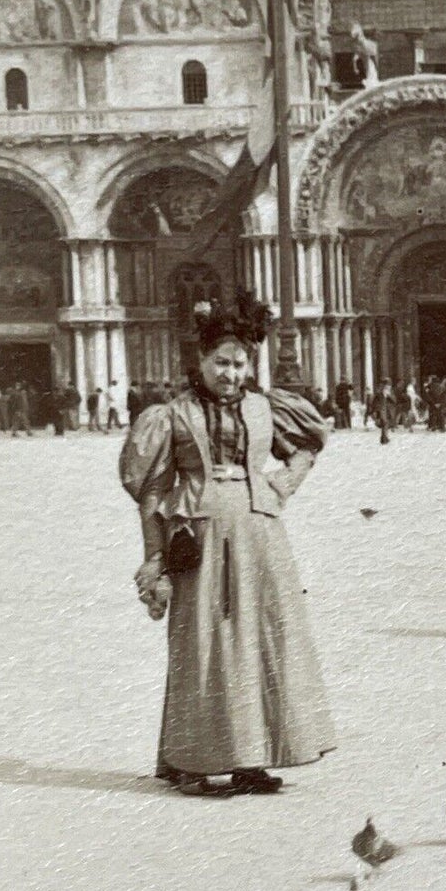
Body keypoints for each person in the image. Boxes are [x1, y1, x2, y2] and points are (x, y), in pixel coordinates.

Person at [119, 292, 334, 799]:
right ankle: (194, 762)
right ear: (201, 360)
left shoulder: (265, 408)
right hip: (198, 538)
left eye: (239, 364)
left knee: (260, 639)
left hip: (260, 536)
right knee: (204, 644)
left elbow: (308, 444)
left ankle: (250, 760)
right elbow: (150, 491)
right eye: (221, 362)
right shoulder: (173, 415)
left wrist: (281, 485)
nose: (231, 373)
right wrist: (154, 555)